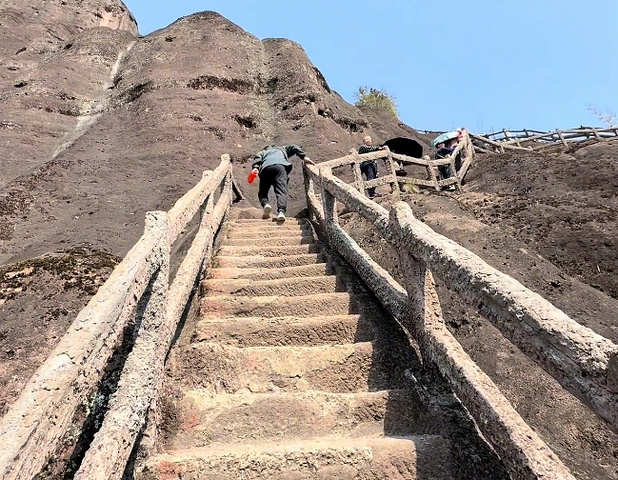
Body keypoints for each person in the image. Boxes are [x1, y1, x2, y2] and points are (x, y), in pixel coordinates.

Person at [250, 144, 314, 223]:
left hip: (266, 168)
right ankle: (281, 212)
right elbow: (294, 147)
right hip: (280, 167)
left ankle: (266, 204)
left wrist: (255, 168)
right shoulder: (282, 149)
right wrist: (303, 157)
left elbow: (257, 158)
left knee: (262, 193)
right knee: (281, 191)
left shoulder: (263, 152)